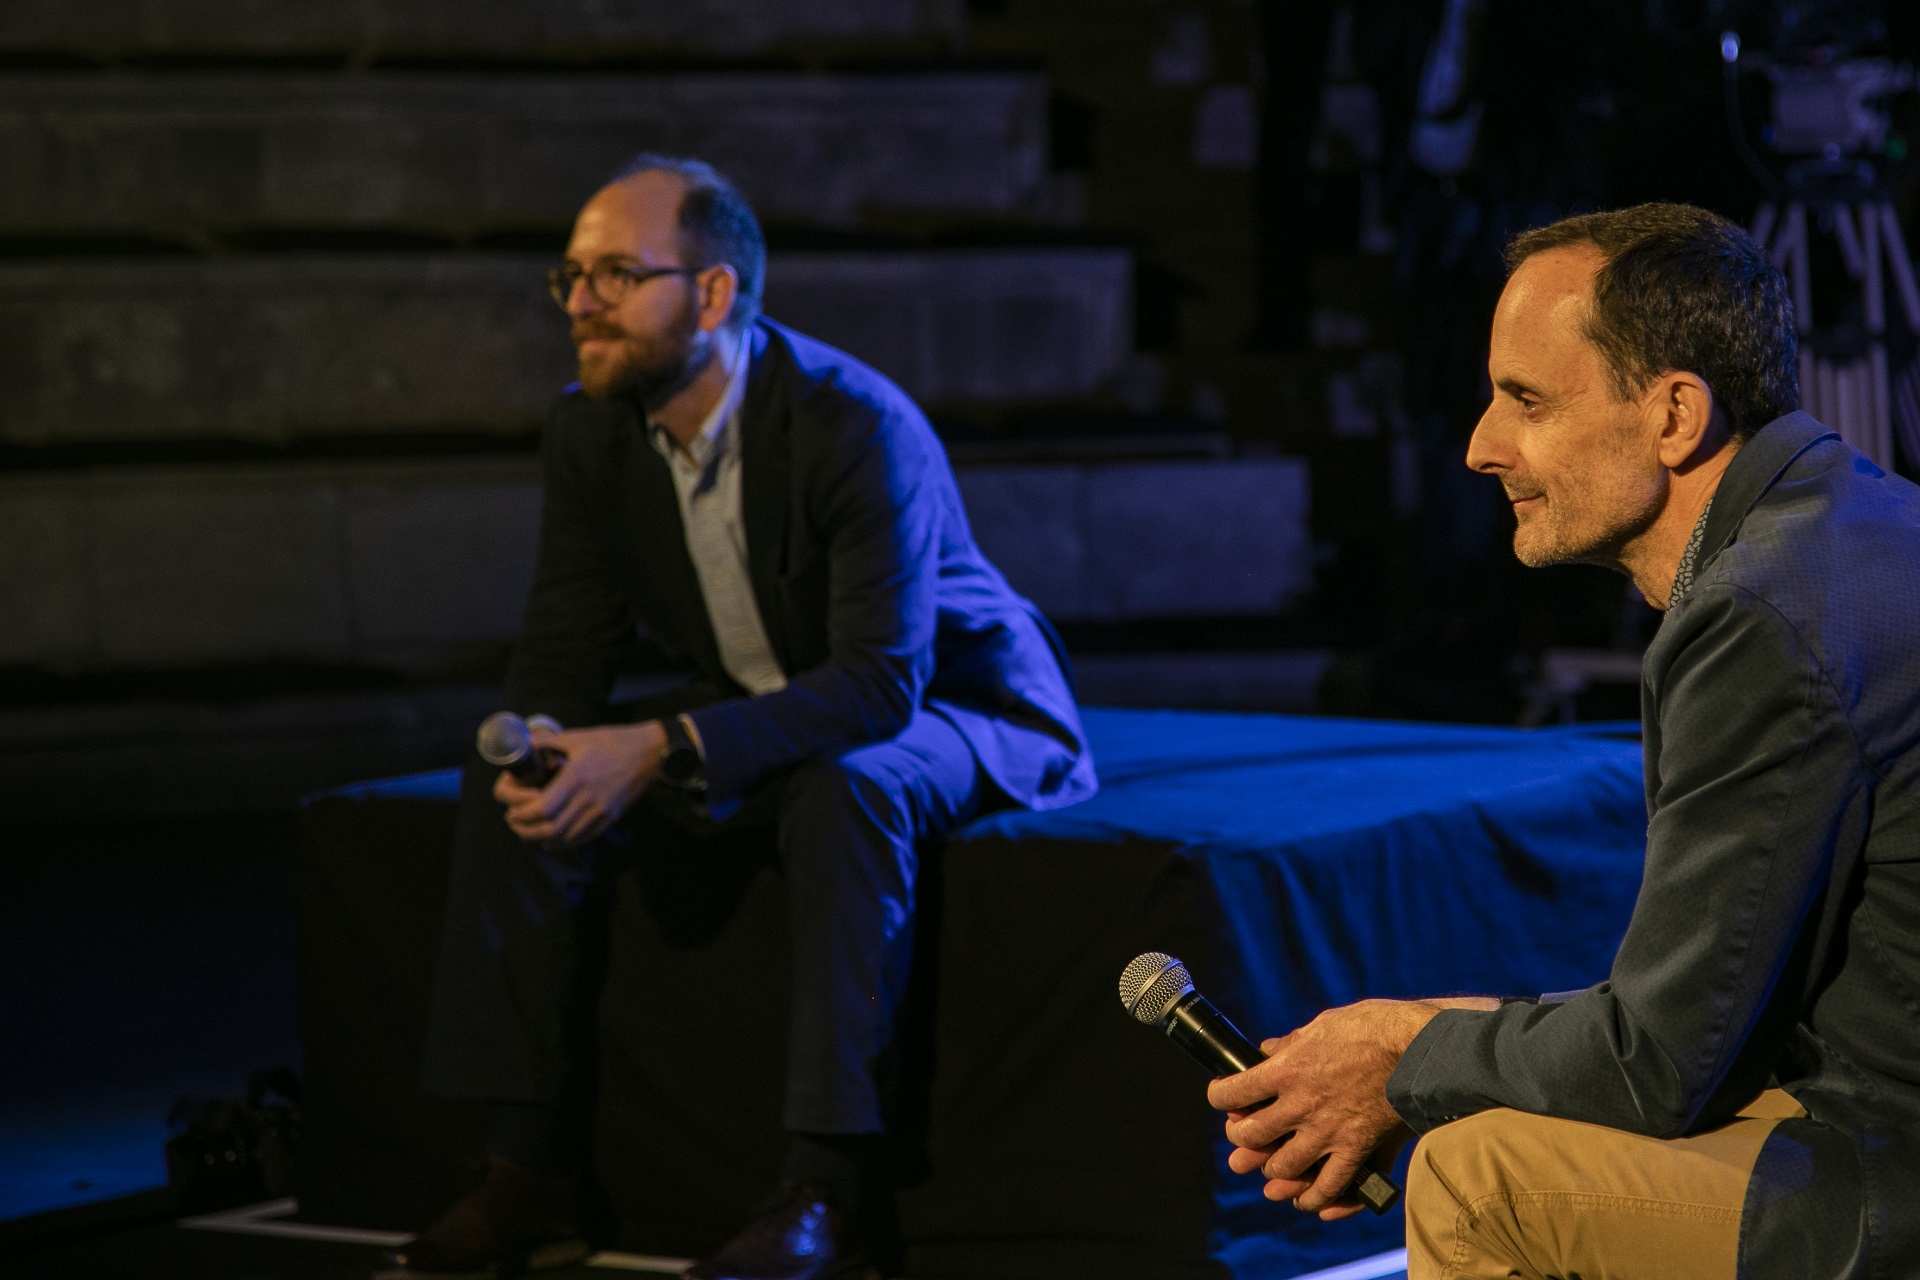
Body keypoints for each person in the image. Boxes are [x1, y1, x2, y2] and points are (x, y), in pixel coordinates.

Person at [392, 154, 1096, 1280]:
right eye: (571, 276)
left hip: (963, 699)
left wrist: (664, 744)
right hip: (781, 690)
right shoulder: (590, 431)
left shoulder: (854, 422)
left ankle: (827, 1188)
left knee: (851, 785)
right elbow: (567, 648)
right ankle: (528, 1168)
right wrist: (542, 741)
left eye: (617, 274)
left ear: (714, 294)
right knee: (519, 771)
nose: (581, 301)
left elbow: (877, 681)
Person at [1208, 203, 1920, 1279]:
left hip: (1884, 1167)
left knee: (1477, 1173)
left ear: (1676, 414)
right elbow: (1708, 1017)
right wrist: (1437, 1036)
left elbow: (1662, 1061)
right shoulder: (1857, 519)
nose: (1482, 447)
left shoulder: (1759, 616)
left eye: (1527, 400)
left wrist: (1407, 1050)